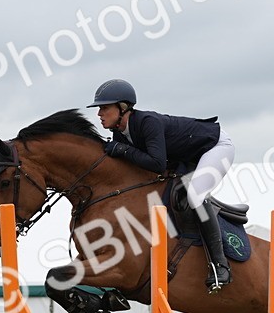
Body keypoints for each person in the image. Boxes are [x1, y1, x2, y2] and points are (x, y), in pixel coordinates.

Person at [87, 78, 236, 292]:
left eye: (104, 108)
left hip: (215, 148)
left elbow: (157, 164)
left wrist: (122, 150)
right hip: (186, 157)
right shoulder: (119, 132)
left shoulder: (148, 122)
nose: (99, 114)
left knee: (195, 195)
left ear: (122, 108)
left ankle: (220, 265)